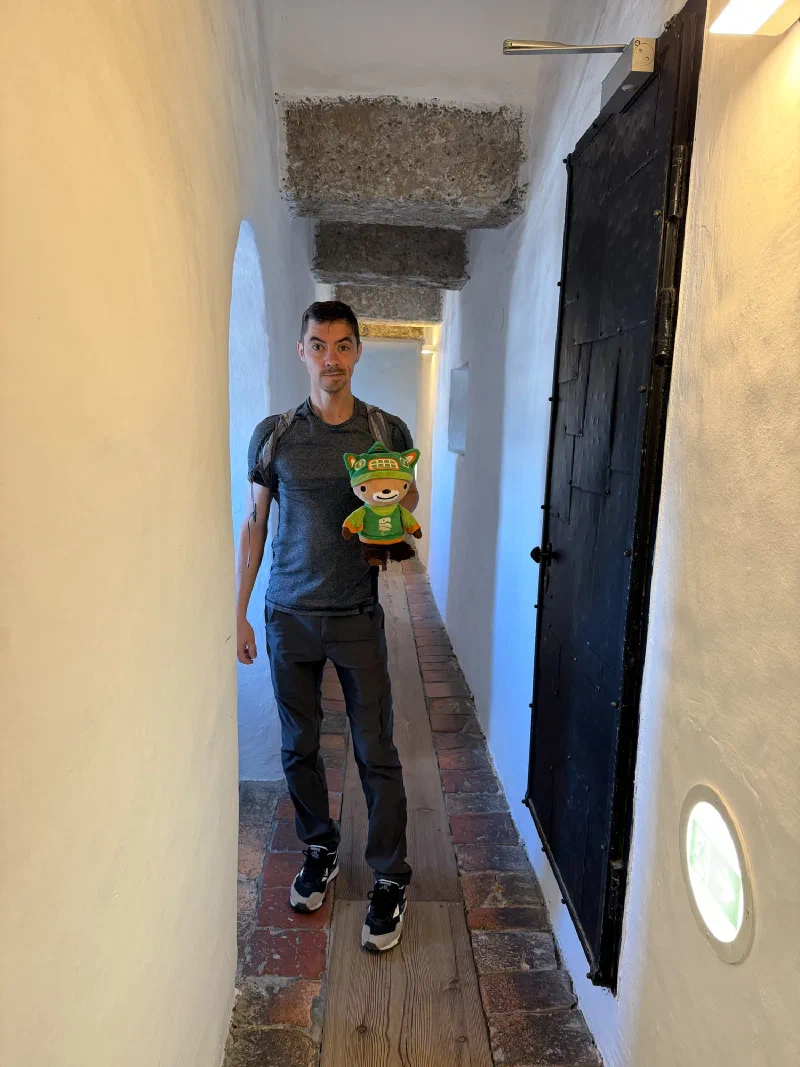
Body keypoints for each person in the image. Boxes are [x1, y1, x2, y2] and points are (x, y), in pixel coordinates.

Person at [236, 300, 415, 952]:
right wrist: (239, 610)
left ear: (358, 351)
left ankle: (390, 877)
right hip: (286, 614)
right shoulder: (275, 434)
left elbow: (407, 499)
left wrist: (394, 507)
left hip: (355, 615)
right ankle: (320, 847)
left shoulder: (384, 429)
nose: (330, 358)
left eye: (342, 345)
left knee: (376, 749)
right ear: (302, 351)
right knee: (298, 745)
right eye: (319, 345)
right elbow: (255, 523)